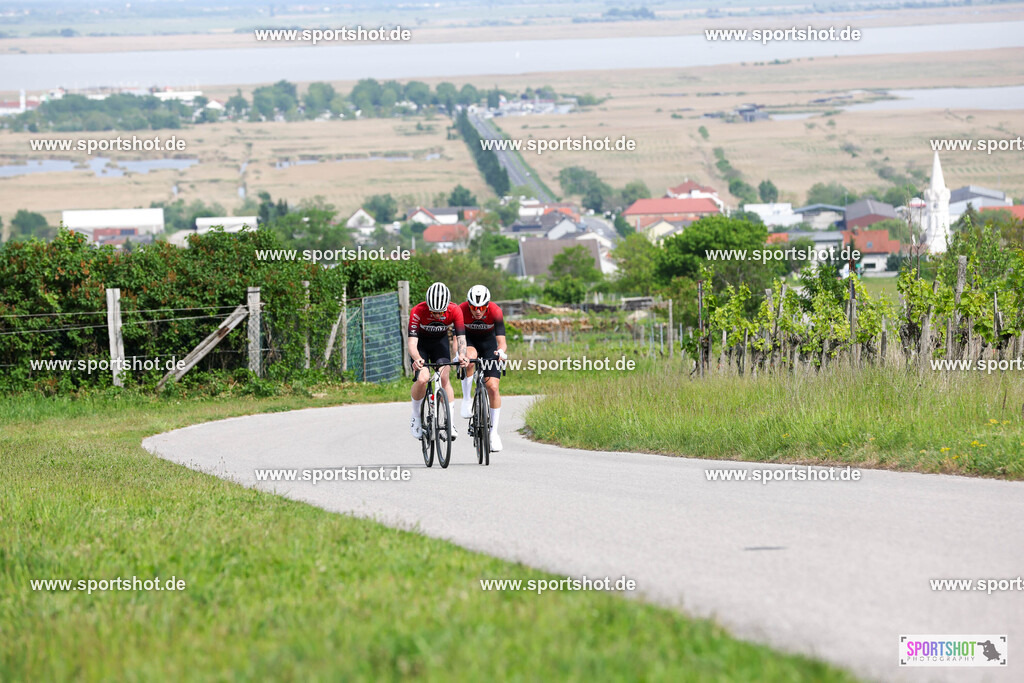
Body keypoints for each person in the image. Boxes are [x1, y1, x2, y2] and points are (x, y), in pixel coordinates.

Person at [408, 282, 468, 439]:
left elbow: (461, 339)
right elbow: (412, 344)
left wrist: (462, 355)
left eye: (440, 313)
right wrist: (417, 359)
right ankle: (416, 417)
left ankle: (449, 423)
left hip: (439, 344)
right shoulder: (417, 311)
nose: (437, 316)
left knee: (444, 377)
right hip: (420, 345)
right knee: (422, 378)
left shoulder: (455, 310)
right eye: (434, 312)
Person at [458, 284, 507, 452]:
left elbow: (502, 341)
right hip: (469, 342)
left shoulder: (495, 311)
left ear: (487, 305)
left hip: (489, 344)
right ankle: (466, 398)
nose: (477, 311)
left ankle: (493, 433)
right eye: (473, 307)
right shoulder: (461, 310)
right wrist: (460, 354)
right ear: (468, 304)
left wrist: (500, 351)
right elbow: (457, 339)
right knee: (470, 359)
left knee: (493, 387)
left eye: (481, 307)